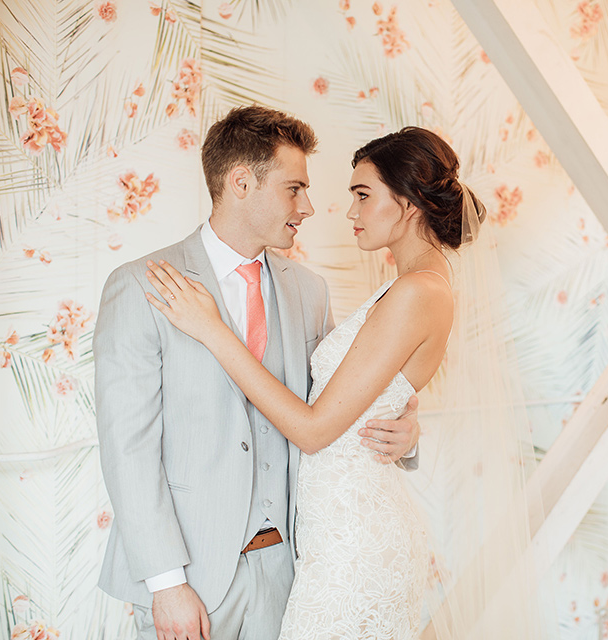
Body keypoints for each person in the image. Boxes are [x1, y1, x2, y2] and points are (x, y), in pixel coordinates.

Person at [94, 106, 421, 640]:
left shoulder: (308, 290)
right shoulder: (143, 285)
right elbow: (126, 446)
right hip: (192, 581)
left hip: (294, 575)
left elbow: (336, 405)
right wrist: (165, 582)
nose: (309, 206)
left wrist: (406, 432)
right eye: (294, 188)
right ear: (241, 182)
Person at [144, 126, 477, 639]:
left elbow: (314, 428)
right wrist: (408, 428)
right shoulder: (410, 288)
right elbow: (356, 394)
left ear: (409, 203)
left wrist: (213, 329)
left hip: (353, 544)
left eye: (363, 195)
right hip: (323, 538)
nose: (347, 212)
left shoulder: (416, 292)